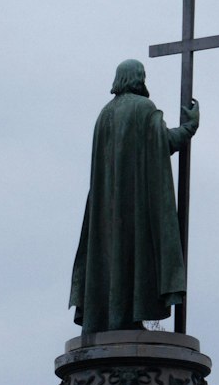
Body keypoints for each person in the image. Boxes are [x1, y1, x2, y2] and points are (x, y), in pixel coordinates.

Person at [70, 59, 198, 335]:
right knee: (135, 256)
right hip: (136, 207)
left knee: (110, 258)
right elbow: (163, 142)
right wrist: (189, 128)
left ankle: (109, 318)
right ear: (138, 78)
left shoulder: (103, 115)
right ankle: (129, 318)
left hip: (105, 213)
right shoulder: (144, 109)